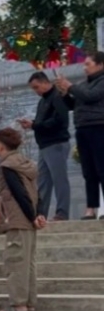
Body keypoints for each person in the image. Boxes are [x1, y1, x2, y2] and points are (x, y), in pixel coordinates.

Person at [0, 128, 43, 311]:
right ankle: (29, 302)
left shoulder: (7, 166)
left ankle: (18, 303)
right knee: (28, 261)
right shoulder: (26, 163)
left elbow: (18, 193)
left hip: (17, 219)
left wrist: (31, 216)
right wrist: (38, 214)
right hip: (28, 220)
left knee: (15, 261)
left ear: (1, 145)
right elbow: (37, 192)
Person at [56, 52, 104, 218]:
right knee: (88, 171)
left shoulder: (101, 82)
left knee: (102, 168)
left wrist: (70, 86)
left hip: (99, 127)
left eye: (88, 64)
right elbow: (73, 104)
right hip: (82, 128)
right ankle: (91, 208)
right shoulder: (83, 84)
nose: (84, 68)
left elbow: (91, 97)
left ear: (100, 65)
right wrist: (64, 93)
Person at [19, 71, 71, 220]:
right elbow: (42, 122)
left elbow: (60, 120)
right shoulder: (43, 101)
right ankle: (40, 213)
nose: (36, 91)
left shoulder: (57, 96)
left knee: (59, 179)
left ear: (44, 82)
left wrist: (35, 125)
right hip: (44, 145)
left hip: (56, 143)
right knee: (43, 182)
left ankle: (62, 212)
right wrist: (33, 125)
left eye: (36, 87)